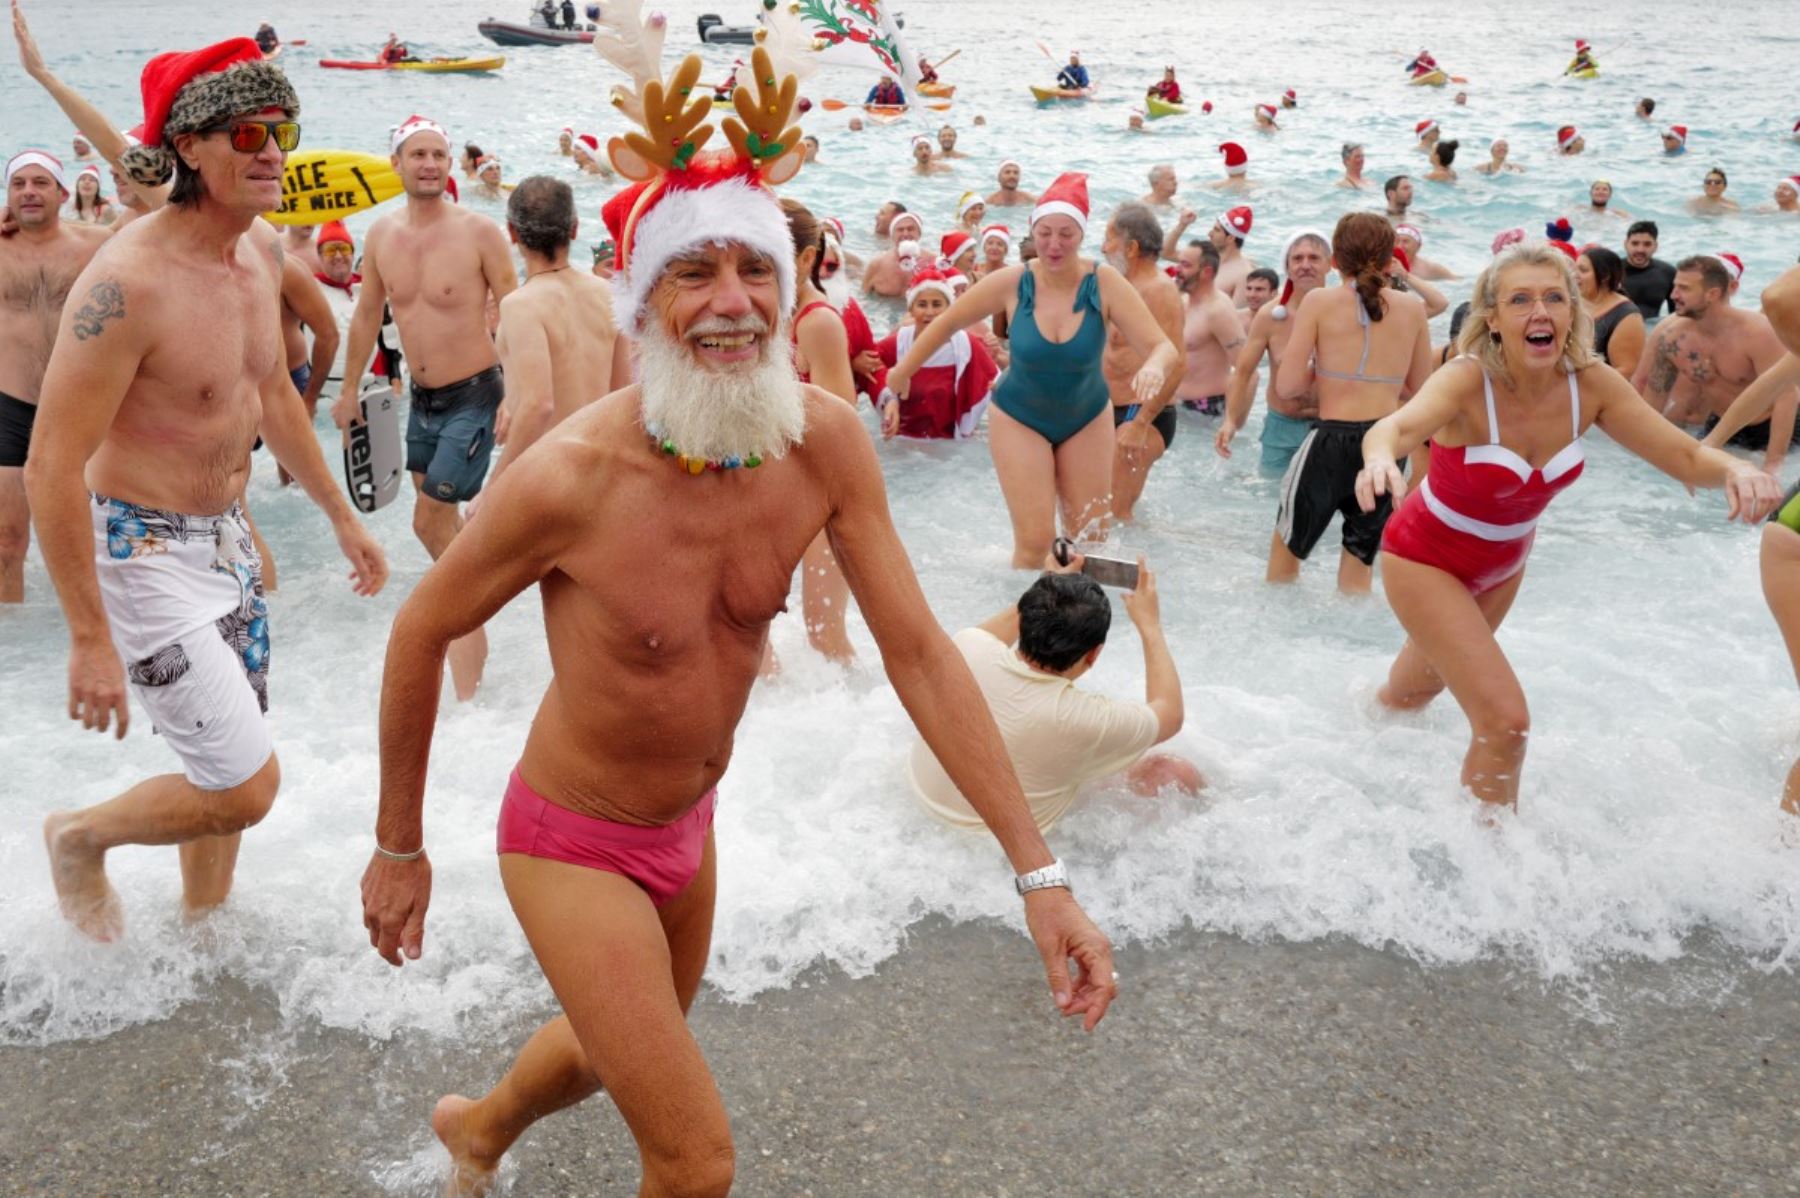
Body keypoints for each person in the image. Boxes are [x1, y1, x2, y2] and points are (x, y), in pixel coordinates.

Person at [361, 48, 1117, 1195]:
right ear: (645, 299)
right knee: (696, 1161)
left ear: (793, 280)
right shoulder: (571, 477)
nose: (732, 302)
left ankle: (478, 1128)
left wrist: (1038, 873)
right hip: (569, 835)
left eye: (756, 269)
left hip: (687, 828)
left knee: (628, 1048)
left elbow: (916, 650)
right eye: (694, 271)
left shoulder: (822, 440)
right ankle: (485, 1127)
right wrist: (399, 845)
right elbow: (419, 630)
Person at [29, 38, 387, 942]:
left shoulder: (259, 254)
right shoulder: (125, 285)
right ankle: (78, 837)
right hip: (140, 549)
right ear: (188, 147)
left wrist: (339, 516)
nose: (272, 150)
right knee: (245, 787)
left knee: (223, 769)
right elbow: (50, 465)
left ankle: (201, 935)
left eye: (281, 129)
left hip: (226, 536)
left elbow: (269, 394)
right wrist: (88, 639)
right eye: (245, 132)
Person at [1356, 241, 1777, 812]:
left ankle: (1352, 759)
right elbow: (1396, 428)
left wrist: (1734, 467)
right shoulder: (1466, 378)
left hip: (1503, 567)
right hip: (1424, 560)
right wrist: (1380, 459)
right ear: (1494, 319)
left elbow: (1683, 456)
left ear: (1574, 313)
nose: (1540, 312)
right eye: (1521, 299)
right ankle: (1488, 870)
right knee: (1505, 723)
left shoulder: (1592, 385)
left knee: (1409, 696)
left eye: (1555, 297)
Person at [887, 172, 1179, 566]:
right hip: (1019, 417)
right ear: (1032, 229)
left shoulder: (1105, 282)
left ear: (1081, 235)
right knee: (1036, 543)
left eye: (1066, 234)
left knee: (1092, 543)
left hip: (1087, 417)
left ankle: (1093, 625)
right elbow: (948, 323)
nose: (1054, 244)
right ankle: (1025, 623)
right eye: (1045, 233)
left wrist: (1155, 368)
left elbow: (1163, 347)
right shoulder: (1012, 281)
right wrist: (902, 371)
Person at [336, 114, 518, 701]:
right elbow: (367, 314)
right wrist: (347, 391)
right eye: (419, 154)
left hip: (477, 393)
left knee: (426, 522)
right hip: (423, 401)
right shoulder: (381, 235)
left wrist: (517, 392)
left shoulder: (479, 231)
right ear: (397, 164)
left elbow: (518, 311)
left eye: (439, 154)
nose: (432, 164)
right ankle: (471, 606)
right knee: (437, 521)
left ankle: (464, 637)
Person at [912, 557, 1199, 833]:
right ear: (1094, 654)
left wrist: (1048, 585)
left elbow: (1017, 618)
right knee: (1173, 771)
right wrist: (1150, 625)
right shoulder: (1083, 720)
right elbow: (1170, 714)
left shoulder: (965, 647)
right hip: (997, 847)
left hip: (924, 811)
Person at [1269, 213, 1432, 594]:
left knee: (1285, 561)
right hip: (1387, 447)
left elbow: (1288, 386)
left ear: (1336, 261)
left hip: (1328, 445)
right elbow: (1420, 389)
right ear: (1389, 259)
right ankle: (1349, 652)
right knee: (1359, 567)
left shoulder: (1319, 302)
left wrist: (1326, 374)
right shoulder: (1412, 310)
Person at [0, 150, 110, 602]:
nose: (29, 191)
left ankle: (99, 639)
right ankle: (12, 661)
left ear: (63, 193)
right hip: (9, 405)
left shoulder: (95, 244)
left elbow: (160, 210)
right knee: (6, 541)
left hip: (77, 407)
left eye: (40, 182)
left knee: (99, 542)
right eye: (18, 183)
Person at [486, 176, 620, 494]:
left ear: (512, 232)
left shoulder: (521, 305)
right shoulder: (609, 294)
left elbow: (539, 404)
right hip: (601, 465)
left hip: (549, 470)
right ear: (574, 229)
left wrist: (493, 487)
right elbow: (623, 393)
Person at [783, 198, 862, 663]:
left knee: (823, 630)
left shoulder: (819, 323)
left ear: (806, 259)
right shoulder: (776, 315)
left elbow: (841, 425)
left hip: (824, 494)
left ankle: (863, 725)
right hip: (779, 487)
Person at [1633, 256, 1795, 470]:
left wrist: (1774, 463)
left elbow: (1786, 396)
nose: (1673, 295)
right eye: (1674, 286)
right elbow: (1654, 401)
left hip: (1777, 427)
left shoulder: (1758, 332)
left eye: (1684, 288)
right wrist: (1644, 457)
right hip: (1722, 423)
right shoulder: (1671, 336)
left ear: (1712, 294)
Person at [1216, 230, 1331, 475]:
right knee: (1271, 501)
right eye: (1297, 259)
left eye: (1314, 258)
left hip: (1330, 427)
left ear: (1329, 264)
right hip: (1281, 427)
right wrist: (1230, 420)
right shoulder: (1271, 316)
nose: (1305, 265)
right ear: (1287, 267)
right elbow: (1243, 372)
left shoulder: (1345, 312)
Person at [1101, 204, 1185, 520]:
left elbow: (1176, 364)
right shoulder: (1123, 287)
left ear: (1132, 248)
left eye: (1109, 239)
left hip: (1142, 416)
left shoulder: (1159, 289)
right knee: (1098, 510)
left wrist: (1138, 424)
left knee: (1115, 514)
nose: (1102, 247)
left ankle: (1140, 568)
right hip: (1114, 413)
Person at [876, 265, 997, 439]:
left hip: (950, 450)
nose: (930, 312)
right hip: (903, 445)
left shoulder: (967, 346)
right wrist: (889, 399)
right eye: (922, 305)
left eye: (937, 304)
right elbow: (869, 368)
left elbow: (998, 383)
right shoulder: (898, 343)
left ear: (949, 310)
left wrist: (998, 352)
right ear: (911, 310)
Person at [1173, 240, 1245, 416]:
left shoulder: (1218, 311)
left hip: (1206, 410)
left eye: (1185, 265)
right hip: (1175, 404)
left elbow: (1246, 369)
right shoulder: (1182, 300)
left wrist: (1232, 422)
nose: (1177, 270)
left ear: (1206, 272)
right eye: (1178, 263)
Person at [1575, 246, 1646, 379]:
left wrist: (1582, 388)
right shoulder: (1573, 304)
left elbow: (1626, 371)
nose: (1574, 274)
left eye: (1583, 270)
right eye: (1574, 269)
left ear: (1605, 276)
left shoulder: (1627, 316)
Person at [1622, 221, 1675, 320]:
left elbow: (1677, 316)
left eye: (1647, 244)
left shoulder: (1668, 273)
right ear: (1625, 244)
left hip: (1652, 330)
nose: (1640, 249)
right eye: (1635, 243)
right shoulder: (1611, 271)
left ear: (1655, 246)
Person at [861, 209, 921, 298]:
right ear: (892, 235)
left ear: (919, 233)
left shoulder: (933, 262)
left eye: (910, 229)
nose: (905, 233)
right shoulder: (877, 264)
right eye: (900, 230)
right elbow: (863, 297)